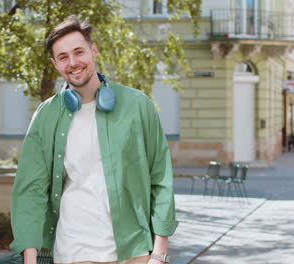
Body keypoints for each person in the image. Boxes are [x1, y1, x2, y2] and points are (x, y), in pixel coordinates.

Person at [10, 16, 178, 264]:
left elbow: (160, 177)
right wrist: (30, 258)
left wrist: (160, 253)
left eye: (79, 52)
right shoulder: (46, 115)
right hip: (73, 252)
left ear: (94, 50)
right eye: (63, 57)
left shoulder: (137, 105)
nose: (73, 62)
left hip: (134, 251)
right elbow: (29, 189)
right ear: (55, 64)